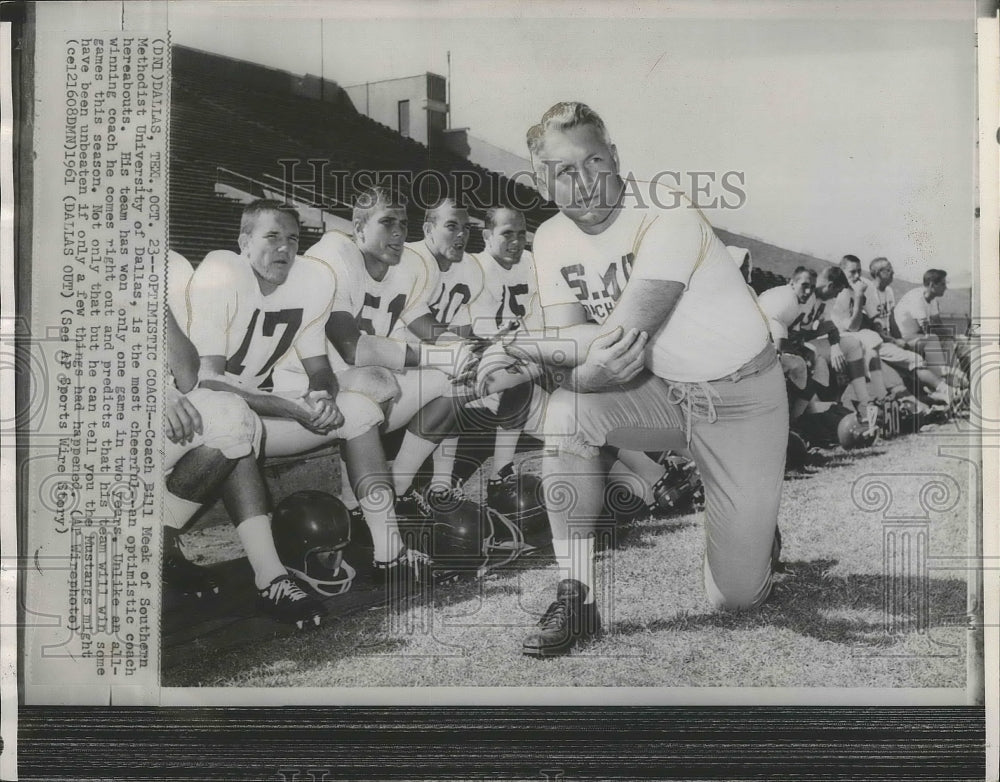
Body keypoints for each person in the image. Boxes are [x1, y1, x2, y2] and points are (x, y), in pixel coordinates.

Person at [502, 101, 788, 657]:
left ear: (615, 158)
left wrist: (516, 349)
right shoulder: (553, 238)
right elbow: (570, 343)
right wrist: (575, 370)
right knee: (565, 413)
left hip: (741, 398)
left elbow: (619, 334)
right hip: (660, 393)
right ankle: (576, 593)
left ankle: (754, 536)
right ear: (542, 183)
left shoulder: (665, 210)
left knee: (735, 599)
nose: (583, 183)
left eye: (593, 163)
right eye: (563, 171)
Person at [185, 200, 428, 595]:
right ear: (244, 242)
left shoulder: (309, 281)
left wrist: (322, 396)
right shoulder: (222, 272)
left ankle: (390, 552)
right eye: (272, 237)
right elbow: (208, 380)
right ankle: (272, 579)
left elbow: (320, 368)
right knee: (234, 419)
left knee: (360, 410)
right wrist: (288, 407)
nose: (285, 248)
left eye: (294, 240)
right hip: (197, 418)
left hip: (260, 409)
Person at [163, 250, 326, 627]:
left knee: (233, 414)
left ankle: (272, 579)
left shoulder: (169, 265)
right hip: (96, 435)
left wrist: (152, 300)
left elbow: (187, 377)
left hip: (162, 419)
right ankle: (153, 544)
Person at [301, 187, 480, 517]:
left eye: (402, 223)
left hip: (364, 382)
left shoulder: (406, 265)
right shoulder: (335, 254)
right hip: (314, 386)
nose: (398, 233)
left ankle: (398, 488)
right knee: (377, 381)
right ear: (358, 228)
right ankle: (352, 502)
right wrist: (441, 356)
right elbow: (352, 348)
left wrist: (467, 349)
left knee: (461, 380)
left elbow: (422, 321)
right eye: (387, 223)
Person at [862, 257, 953, 405]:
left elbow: (892, 319)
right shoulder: (869, 292)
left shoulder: (889, 291)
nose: (893, 272)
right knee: (916, 359)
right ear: (878, 273)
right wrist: (893, 340)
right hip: (876, 342)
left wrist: (898, 339)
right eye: (888, 269)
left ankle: (943, 388)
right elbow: (871, 326)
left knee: (920, 356)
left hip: (890, 340)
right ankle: (944, 389)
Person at [893, 268, 970, 388]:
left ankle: (957, 380)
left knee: (948, 341)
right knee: (933, 339)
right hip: (906, 339)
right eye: (943, 284)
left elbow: (937, 324)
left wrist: (954, 337)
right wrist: (952, 334)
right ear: (932, 285)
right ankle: (942, 381)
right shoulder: (916, 298)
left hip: (919, 336)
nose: (946, 287)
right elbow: (927, 329)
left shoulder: (932, 298)